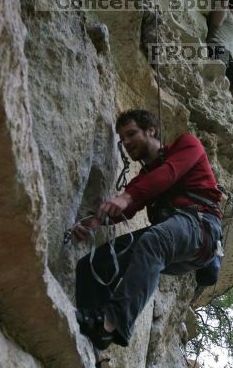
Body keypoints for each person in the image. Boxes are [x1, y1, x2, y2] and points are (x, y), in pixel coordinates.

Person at [74, 109, 223, 351]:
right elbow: (127, 209)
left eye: (131, 133)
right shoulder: (142, 179)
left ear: (150, 130)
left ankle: (112, 322)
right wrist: (94, 222)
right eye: (122, 139)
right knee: (93, 264)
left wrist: (127, 196)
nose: (127, 142)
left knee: (154, 238)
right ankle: (92, 342)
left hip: (200, 226)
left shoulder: (187, 145)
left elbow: (168, 175)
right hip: (171, 240)